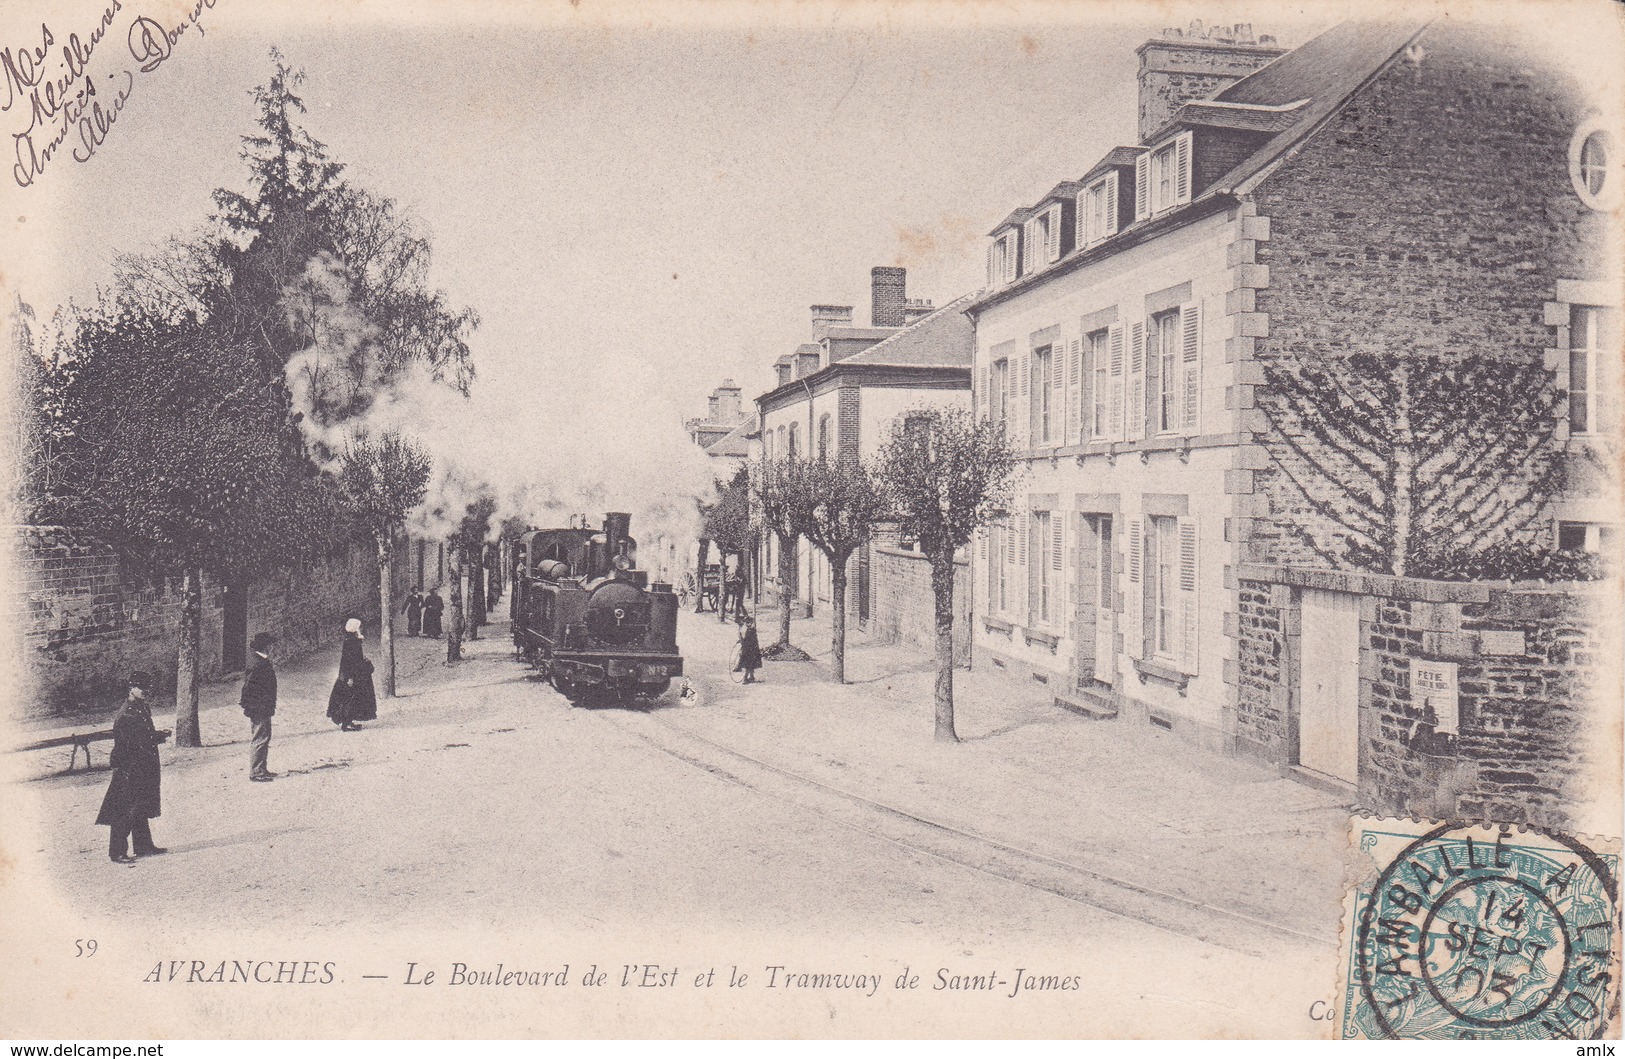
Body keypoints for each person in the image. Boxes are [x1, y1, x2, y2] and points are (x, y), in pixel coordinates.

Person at [95, 671, 167, 862]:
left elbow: (143, 735)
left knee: (140, 805)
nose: (145, 691)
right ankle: (116, 852)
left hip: (142, 764)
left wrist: (158, 735)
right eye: (141, 687)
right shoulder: (126, 713)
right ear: (131, 688)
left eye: (147, 687)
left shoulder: (141, 708)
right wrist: (155, 738)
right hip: (130, 766)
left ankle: (143, 846)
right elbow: (132, 743)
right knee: (125, 809)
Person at [327, 618, 378, 732]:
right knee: (350, 698)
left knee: (353, 698)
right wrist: (350, 677)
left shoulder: (353, 639)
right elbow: (348, 661)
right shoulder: (351, 641)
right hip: (352, 674)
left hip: (354, 673)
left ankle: (349, 721)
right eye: (359, 626)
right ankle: (346, 723)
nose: (361, 628)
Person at [240, 632, 278, 782]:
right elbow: (249, 688)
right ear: (266, 647)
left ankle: (262, 768)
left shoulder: (260, 661)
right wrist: (253, 706)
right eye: (270, 645)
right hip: (259, 707)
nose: (272, 648)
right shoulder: (258, 664)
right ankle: (256, 771)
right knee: (260, 738)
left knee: (264, 736)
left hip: (263, 706)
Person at [734, 613, 762, 684]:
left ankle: (746, 678)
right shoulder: (749, 630)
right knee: (750, 663)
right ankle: (751, 676)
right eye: (746, 623)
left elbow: (750, 640)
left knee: (748, 664)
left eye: (749, 623)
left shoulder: (751, 630)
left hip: (751, 650)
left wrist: (742, 641)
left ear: (751, 623)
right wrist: (741, 640)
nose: (747, 624)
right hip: (749, 649)